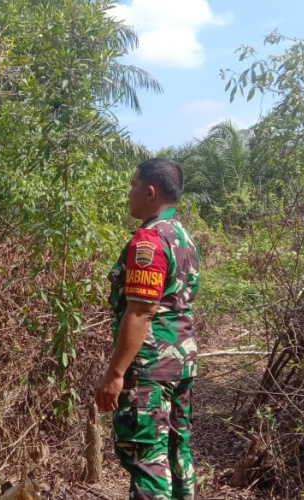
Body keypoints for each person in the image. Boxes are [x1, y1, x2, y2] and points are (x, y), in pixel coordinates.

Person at [94, 158, 200, 500]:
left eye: (133, 185)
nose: (130, 193)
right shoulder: (183, 237)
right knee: (176, 450)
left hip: (150, 367)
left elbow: (140, 312)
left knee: (146, 459)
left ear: (150, 192)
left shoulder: (149, 241)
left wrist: (115, 373)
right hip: (181, 363)